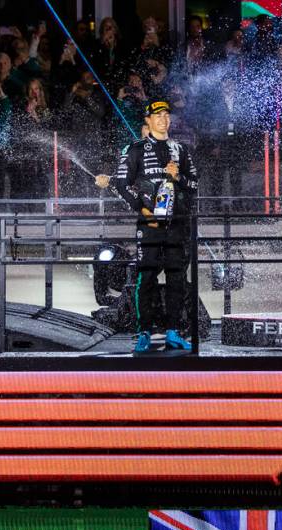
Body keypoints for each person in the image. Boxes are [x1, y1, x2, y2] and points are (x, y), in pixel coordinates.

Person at [112, 100, 199, 354]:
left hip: (177, 225)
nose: (163, 119)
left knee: (177, 279)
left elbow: (195, 186)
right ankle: (144, 332)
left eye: (166, 115)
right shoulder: (135, 149)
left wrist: (178, 177)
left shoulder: (181, 150)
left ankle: (173, 331)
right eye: (157, 115)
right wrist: (143, 210)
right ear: (147, 120)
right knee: (146, 277)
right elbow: (121, 184)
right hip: (149, 225)